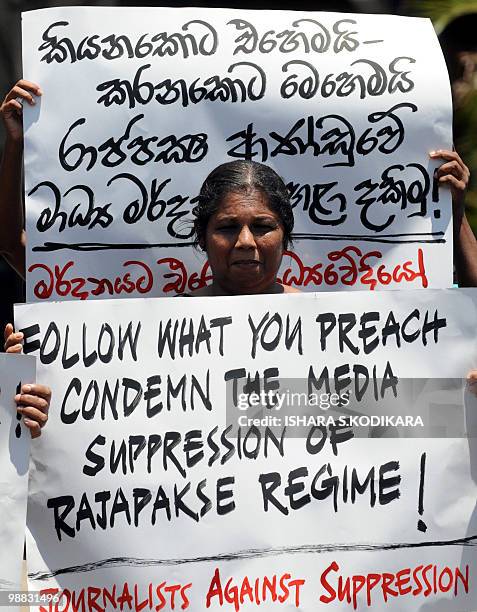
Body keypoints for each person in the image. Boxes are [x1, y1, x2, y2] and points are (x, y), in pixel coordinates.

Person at [1, 80, 477, 286]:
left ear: (287, 238)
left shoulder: (336, 320)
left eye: (263, 226)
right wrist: (18, 144)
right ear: (202, 236)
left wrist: (452, 215)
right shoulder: (154, 321)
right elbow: (13, 245)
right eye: (228, 226)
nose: (246, 242)